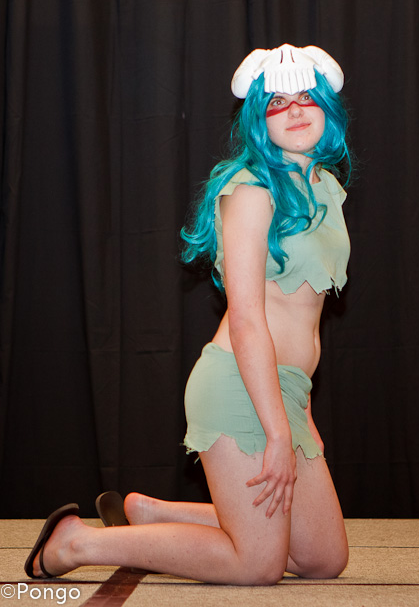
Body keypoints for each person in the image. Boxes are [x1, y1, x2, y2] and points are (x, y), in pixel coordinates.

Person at [25, 43, 351, 586]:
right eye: (277, 103)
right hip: (241, 385)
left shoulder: (326, 188)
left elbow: (306, 319)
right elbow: (247, 319)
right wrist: (277, 434)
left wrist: (302, 412)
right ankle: (76, 542)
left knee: (323, 558)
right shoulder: (250, 192)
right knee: (257, 566)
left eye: (306, 98)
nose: (294, 110)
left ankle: (153, 513)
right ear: (258, 119)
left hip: (290, 391)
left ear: (327, 108)